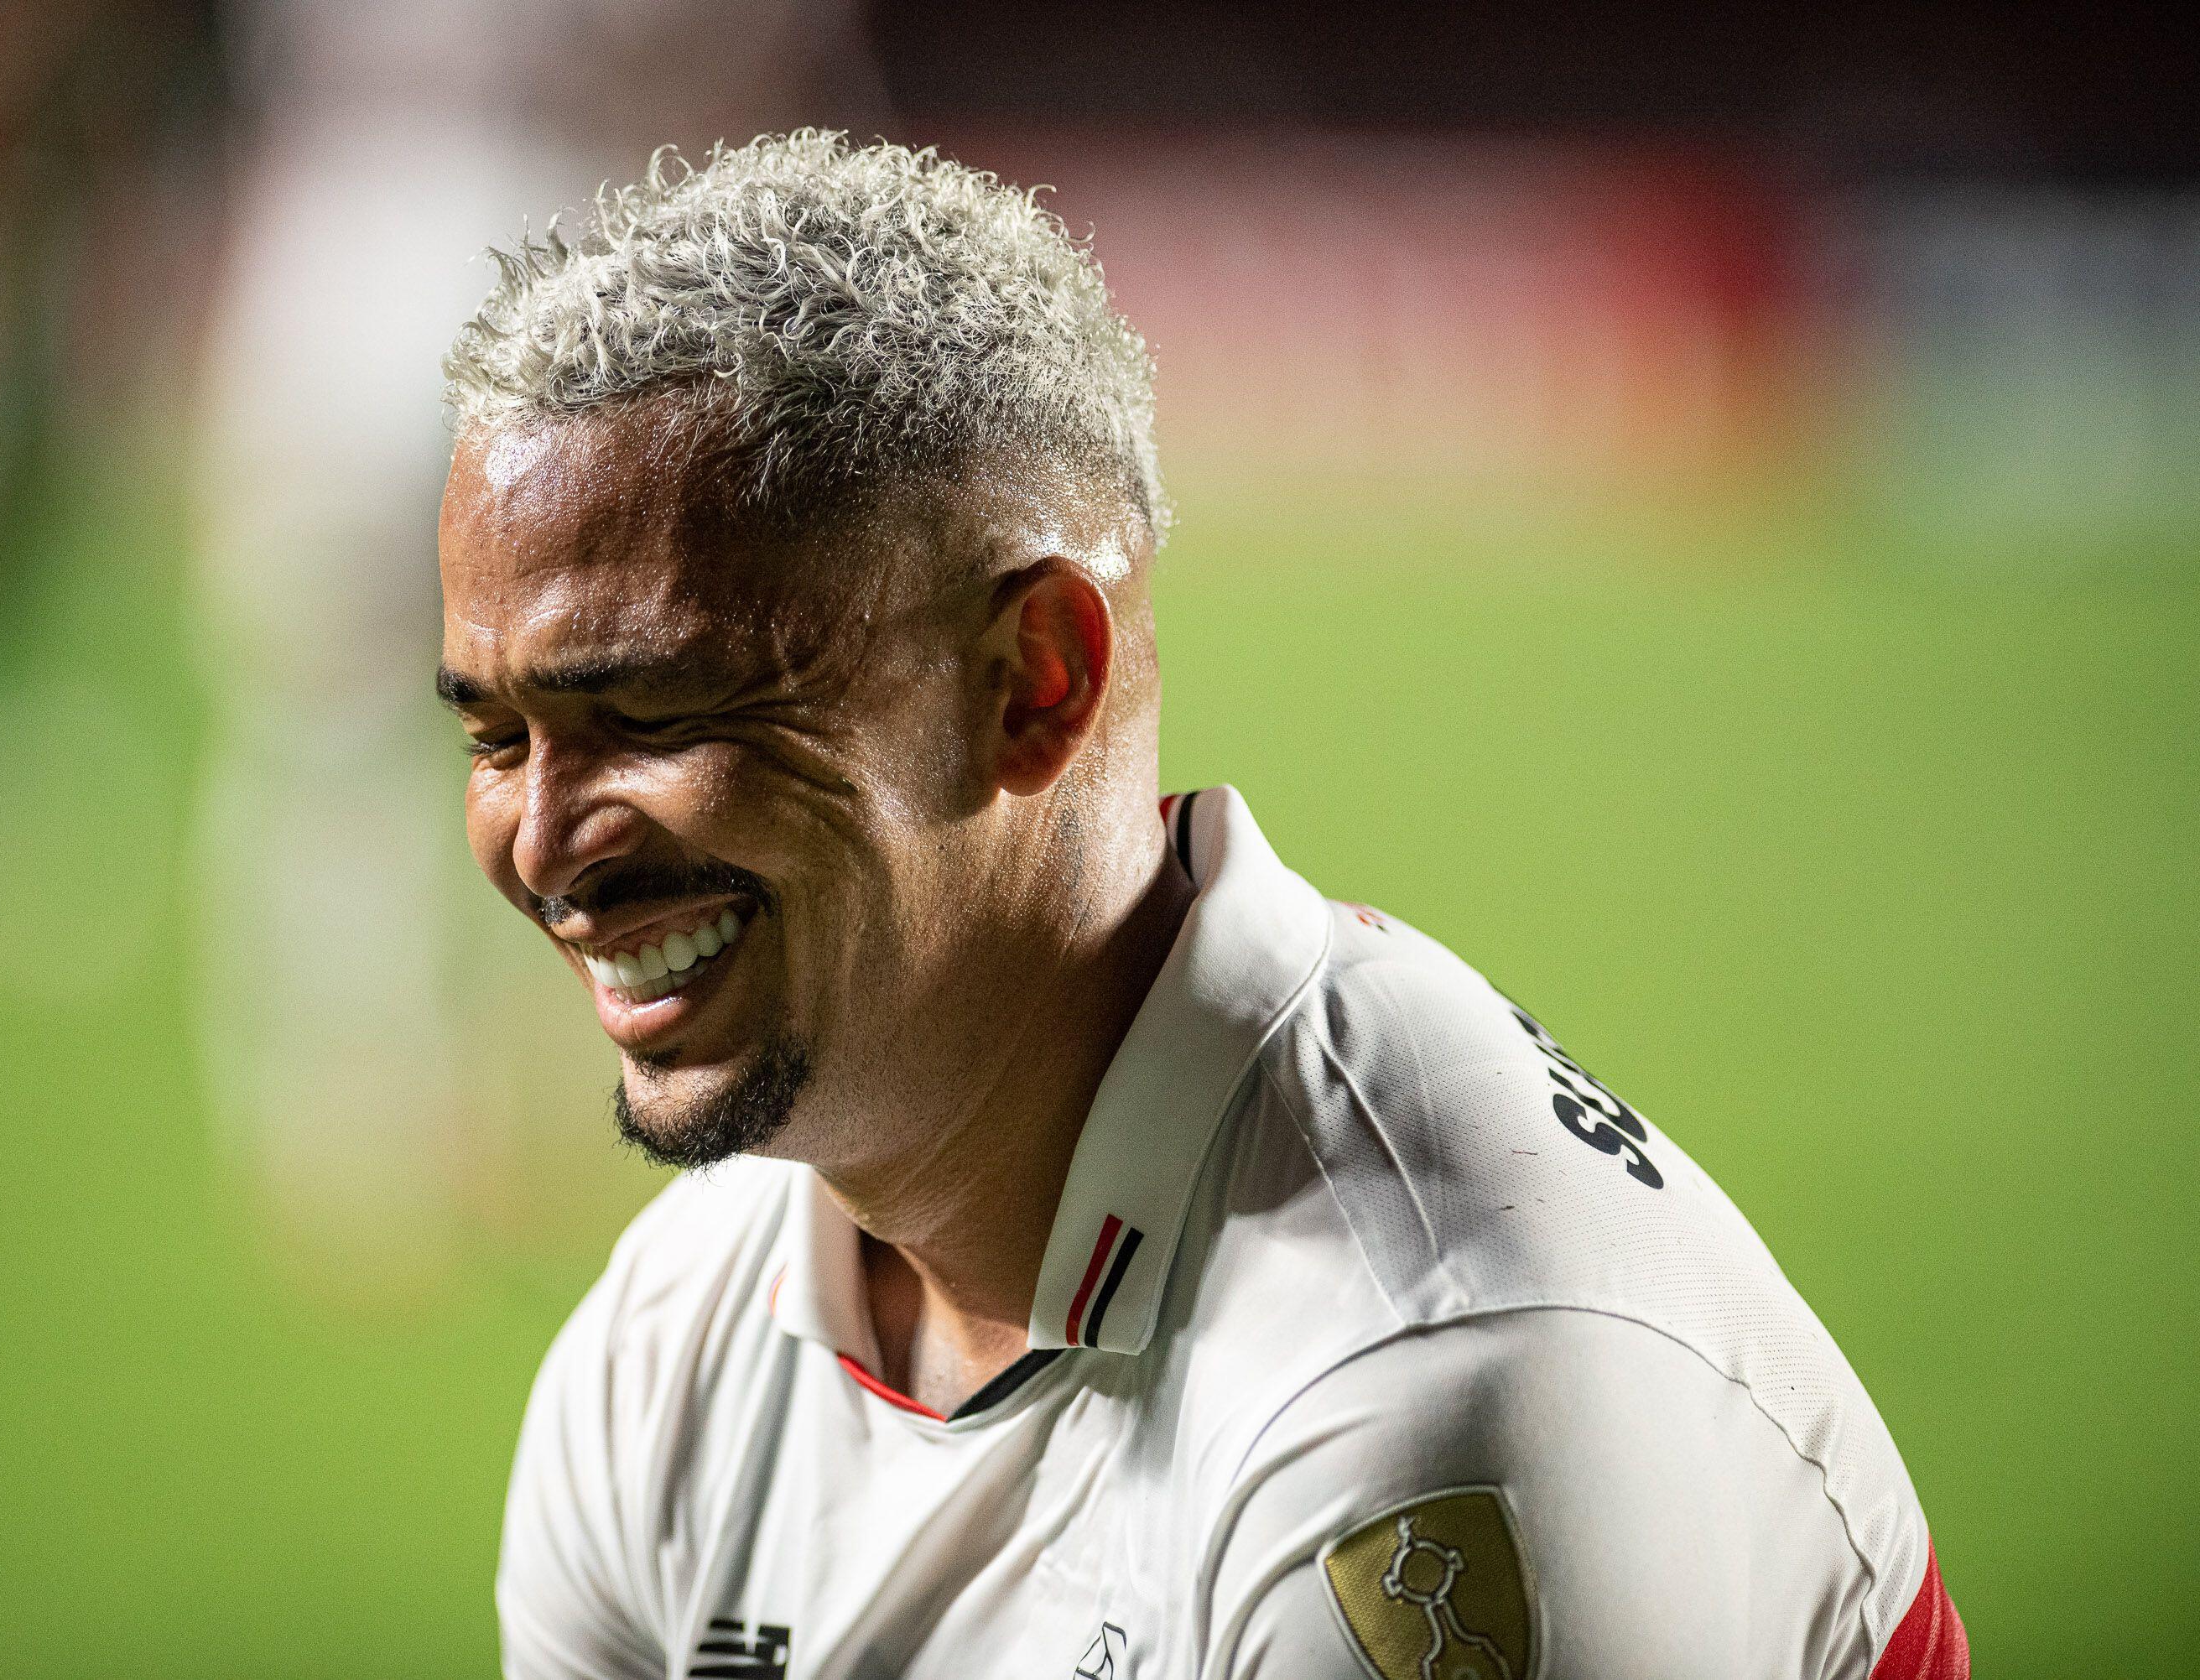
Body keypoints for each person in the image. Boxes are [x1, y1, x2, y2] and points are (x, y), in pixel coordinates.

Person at [434, 132, 1968, 1679]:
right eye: (496, 736)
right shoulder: (680, 1335)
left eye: (653, 714)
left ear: (1035, 681)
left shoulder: (1415, 1418)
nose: (540, 843)